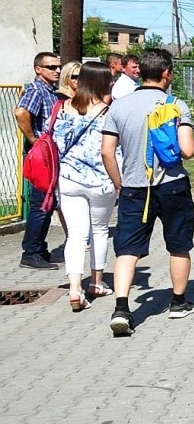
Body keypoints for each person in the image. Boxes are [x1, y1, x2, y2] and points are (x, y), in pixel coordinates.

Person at [101, 47, 194, 335]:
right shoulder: (175, 105)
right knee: (178, 244)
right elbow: (188, 150)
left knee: (127, 250)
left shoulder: (119, 106)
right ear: (166, 73)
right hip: (172, 185)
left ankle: (121, 308)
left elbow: (107, 151)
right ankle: (178, 303)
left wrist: (120, 183)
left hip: (133, 186)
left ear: (140, 71)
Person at [53, 62, 115, 310]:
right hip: (101, 180)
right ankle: (97, 283)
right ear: (102, 82)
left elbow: (56, 142)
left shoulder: (64, 107)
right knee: (99, 231)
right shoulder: (107, 110)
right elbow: (112, 148)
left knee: (76, 235)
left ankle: (75, 288)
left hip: (68, 179)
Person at [15, 51, 62, 269]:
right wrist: (34, 140)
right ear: (38, 69)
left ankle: (39, 248)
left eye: (58, 67)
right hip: (41, 155)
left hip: (48, 154)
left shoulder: (49, 91)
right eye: (51, 67)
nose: (57, 71)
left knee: (48, 203)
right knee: (41, 204)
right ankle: (31, 252)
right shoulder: (36, 90)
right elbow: (21, 113)